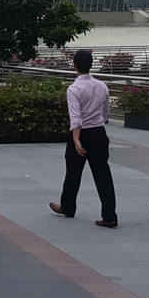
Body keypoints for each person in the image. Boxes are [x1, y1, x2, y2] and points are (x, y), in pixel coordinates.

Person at [49, 49, 117, 228]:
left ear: (74, 66)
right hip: (99, 132)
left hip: (81, 133)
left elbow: (76, 117)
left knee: (73, 172)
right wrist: (99, 123)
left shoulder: (74, 89)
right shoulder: (102, 86)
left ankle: (68, 207)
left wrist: (77, 140)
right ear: (91, 65)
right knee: (103, 174)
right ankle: (109, 215)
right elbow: (106, 111)